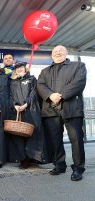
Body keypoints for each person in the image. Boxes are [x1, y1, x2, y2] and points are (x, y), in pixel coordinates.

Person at [37, 45, 87, 181]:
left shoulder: (78, 65)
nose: (58, 53)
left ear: (66, 53)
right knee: (55, 140)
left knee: (76, 140)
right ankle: (59, 164)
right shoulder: (44, 71)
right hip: (50, 110)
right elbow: (40, 86)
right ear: (52, 55)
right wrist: (51, 95)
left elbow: (79, 82)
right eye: (55, 51)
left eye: (61, 51)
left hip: (71, 108)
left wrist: (62, 95)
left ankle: (78, 168)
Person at [8, 61, 47, 169]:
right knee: (18, 136)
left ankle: (33, 157)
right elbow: (10, 96)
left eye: (21, 67)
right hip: (17, 112)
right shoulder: (12, 82)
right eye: (17, 68)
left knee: (33, 135)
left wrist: (26, 104)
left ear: (25, 68)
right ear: (15, 70)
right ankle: (23, 159)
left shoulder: (32, 79)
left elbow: (34, 93)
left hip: (31, 111)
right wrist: (14, 105)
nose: (19, 69)